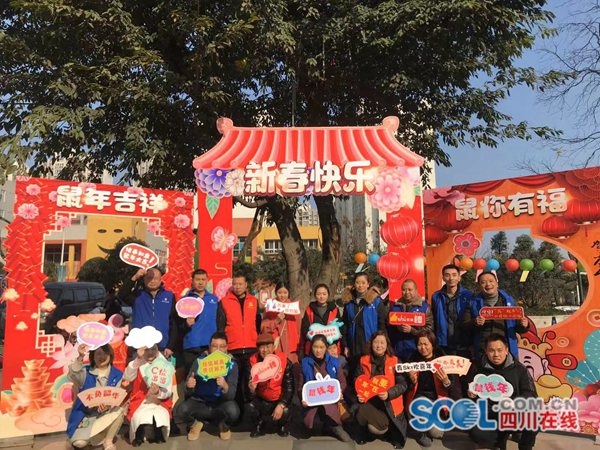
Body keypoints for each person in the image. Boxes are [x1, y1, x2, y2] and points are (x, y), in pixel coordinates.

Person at [467, 333, 538, 450]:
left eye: (500, 350)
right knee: (476, 432)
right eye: (491, 350)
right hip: (488, 414)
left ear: (506, 350)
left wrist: (514, 402)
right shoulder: (477, 368)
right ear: (486, 351)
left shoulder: (519, 369)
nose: (496, 355)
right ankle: (498, 442)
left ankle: (525, 446)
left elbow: (531, 394)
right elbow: (467, 388)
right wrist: (471, 394)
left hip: (512, 413)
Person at [175, 332, 239, 441]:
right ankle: (195, 424)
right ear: (209, 347)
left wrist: (225, 386)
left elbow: (231, 395)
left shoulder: (232, 364)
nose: (218, 350)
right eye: (215, 346)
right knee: (181, 410)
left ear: (227, 348)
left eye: (222, 346)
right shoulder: (199, 361)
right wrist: (189, 385)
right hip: (200, 402)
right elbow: (187, 389)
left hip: (220, 404)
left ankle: (223, 425)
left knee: (234, 411)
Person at [405, 330, 461, 447]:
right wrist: (412, 381)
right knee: (421, 413)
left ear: (433, 344)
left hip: (438, 399)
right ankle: (420, 433)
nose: (423, 348)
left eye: (426, 344)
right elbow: (406, 386)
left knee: (437, 433)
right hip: (419, 397)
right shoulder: (412, 360)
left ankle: (430, 422)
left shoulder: (444, 359)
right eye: (420, 344)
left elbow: (452, 387)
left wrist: (446, 381)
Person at [216, 272, 261, 415]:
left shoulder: (254, 301)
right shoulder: (224, 302)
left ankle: (251, 413)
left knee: (250, 382)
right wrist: (224, 349)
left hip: (251, 348)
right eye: (235, 284)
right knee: (234, 382)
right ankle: (236, 414)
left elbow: (258, 323)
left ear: (246, 285)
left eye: (240, 284)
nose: (238, 286)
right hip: (232, 350)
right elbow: (220, 326)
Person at [353, 331, 408, 449]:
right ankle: (365, 433)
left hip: (390, 404)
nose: (379, 345)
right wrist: (360, 394)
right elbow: (357, 380)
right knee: (359, 408)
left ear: (387, 345)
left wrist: (389, 393)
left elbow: (403, 384)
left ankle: (387, 432)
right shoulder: (363, 360)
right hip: (371, 403)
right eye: (376, 342)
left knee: (379, 427)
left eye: (382, 342)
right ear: (371, 344)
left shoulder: (395, 361)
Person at [66, 343, 124, 450]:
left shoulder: (118, 374)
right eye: (98, 354)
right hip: (86, 415)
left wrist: (108, 405)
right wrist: (80, 356)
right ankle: (93, 438)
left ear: (110, 355)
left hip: (105, 414)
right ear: (93, 356)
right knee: (79, 443)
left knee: (120, 410)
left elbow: (117, 397)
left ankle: (108, 441)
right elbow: (72, 374)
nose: (102, 357)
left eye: (105, 353)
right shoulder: (85, 372)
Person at [463, 271, 529, 360]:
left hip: (506, 349)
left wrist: (524, 325)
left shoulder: (510, 302)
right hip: (483, 350)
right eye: (483, 282)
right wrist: (475, 322)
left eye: (491, 281)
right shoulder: (472, 303)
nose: (488, 284)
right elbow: (465, 327)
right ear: (479, 286)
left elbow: (518, 328)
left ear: (497, 283)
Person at [123, 331, 174, 447]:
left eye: (153, 349)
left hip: (159, 400)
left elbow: (168, 390)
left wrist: (158, 392)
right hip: (141, 399)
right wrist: (137, 360)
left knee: (159, 415)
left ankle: (158, 433)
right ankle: (138, 435)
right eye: (147, 350)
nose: (150, 353)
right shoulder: (138, 363)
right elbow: (128, 377)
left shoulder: (164, 365)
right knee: (139, 416)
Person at [299, 334, 352, 442]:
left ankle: (334, 427)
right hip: (312, 403)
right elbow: (300, 387)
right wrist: (303, 398)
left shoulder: (334, 362)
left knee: (333, 421)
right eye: (315, 347)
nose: (318, 350)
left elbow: (342, 382)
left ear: (326, 348)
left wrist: (339, 392)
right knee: (315, 427)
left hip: (331, 402)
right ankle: (321, 425)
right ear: (311, 347)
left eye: (321, 347)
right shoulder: (305, 363)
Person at [120, 267, 178, 357]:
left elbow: (173, 323)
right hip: (140, 347)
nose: (152, 281)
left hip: (162, 348)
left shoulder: (169, 296)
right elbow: (122, 294)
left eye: (155, 278)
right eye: (149, 278)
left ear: (160, 279)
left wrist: (170, 346)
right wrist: (135, 277)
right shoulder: (138, 296)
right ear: (144, 279)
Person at [247, 332, 294, 438]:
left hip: (279, 398)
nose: (265, 350)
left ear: (273, 347)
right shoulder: (252, 362)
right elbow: (246, 392)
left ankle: (282, 425)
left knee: (286, 410)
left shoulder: (284, 361)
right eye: (262, 347)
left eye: (268, 346)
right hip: (262, 399)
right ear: (258, 349)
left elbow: (290, 388)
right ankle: (259, 424)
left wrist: (282, 404)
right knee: (250, 406)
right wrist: (251, 389)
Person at [342, 273, 387, 366]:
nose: (360, 285)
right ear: (354, 284)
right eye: (357, 282)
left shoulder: (376, 301)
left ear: (368, 284)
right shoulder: (349, 303)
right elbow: (345, 325)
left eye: (363, 283)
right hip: (353, 344)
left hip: (371, 343)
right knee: (355, 370)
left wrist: (381, 343)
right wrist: (345, 345)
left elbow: (382, 324)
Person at [181, 269, 220, 372]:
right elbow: (177, 324)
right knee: (191, 377)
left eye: (203, 279)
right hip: (191, 346)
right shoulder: (184, 300)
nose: (200, 282)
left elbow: (220, 321)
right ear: (192, 281)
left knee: (209, 377)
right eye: (197, 279)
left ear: (207, 281)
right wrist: (186, 323)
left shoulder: (214, 299)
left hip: (210, 346)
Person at [430, 264, 473, 357]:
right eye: (447, 275)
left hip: (464, 342)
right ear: (443, 278)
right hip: (443, 343)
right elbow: (433, 318)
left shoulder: (468, 295)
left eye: (454, 275)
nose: (451, 278)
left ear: (459, 277)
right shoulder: (436, 296)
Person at [387, 279, 433, 361]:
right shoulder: (394, 307)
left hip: (417, 351)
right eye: (404, 290)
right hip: (398, 350)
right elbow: (388, 328)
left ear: (416, 290)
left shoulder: (424, 307)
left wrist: (412, 330)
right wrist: (396, 328)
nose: (407, 292)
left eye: (410, 290)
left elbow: (430, 329)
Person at [260, 281, 300, 364]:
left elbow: (298, 328)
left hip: (292, 347)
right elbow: (264, 328)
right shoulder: (270, 307)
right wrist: (276, 321)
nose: (282, 295)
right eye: (279, 292)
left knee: (293, 367)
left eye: (285, 293)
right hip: (276, 345)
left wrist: (300, 346)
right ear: (275, 293)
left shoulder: (293, 308)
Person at [299, 283, 343, 356]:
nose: (321, 296)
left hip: (330, 347)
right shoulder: (309, 309)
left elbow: (339, 327)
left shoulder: (334, 309)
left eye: (324, 294)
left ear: (328, 295)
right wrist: (310, 337)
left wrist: (337, 336)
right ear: (315, 295)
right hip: (314, 347)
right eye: (318, 294)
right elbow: (305, 328)